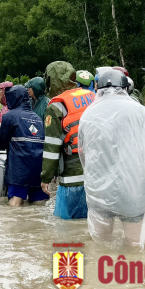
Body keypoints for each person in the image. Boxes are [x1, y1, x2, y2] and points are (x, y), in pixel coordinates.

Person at [79, 69, 145, 247]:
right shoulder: (140, 111)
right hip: (132, 189)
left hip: (99, 189)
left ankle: (98, 273)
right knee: (135, 245)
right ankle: (132, 273)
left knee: (101, 244)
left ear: (98, 88)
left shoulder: (88, 114)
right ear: (125, 88)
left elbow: (83, 154)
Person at [40, 61, 95, 219]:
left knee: (68, 231)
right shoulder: (92, 96)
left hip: (73, 178)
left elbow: (52, 147)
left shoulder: (56, 107)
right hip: (99, 176)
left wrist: (46, 178)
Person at [0, 85, 47, 206]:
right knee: (39, 205)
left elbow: (1, 141)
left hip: (19, 171)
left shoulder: (10, 116)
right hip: (37, 171)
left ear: (14, 98)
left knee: (15, 205)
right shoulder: (37, 119)